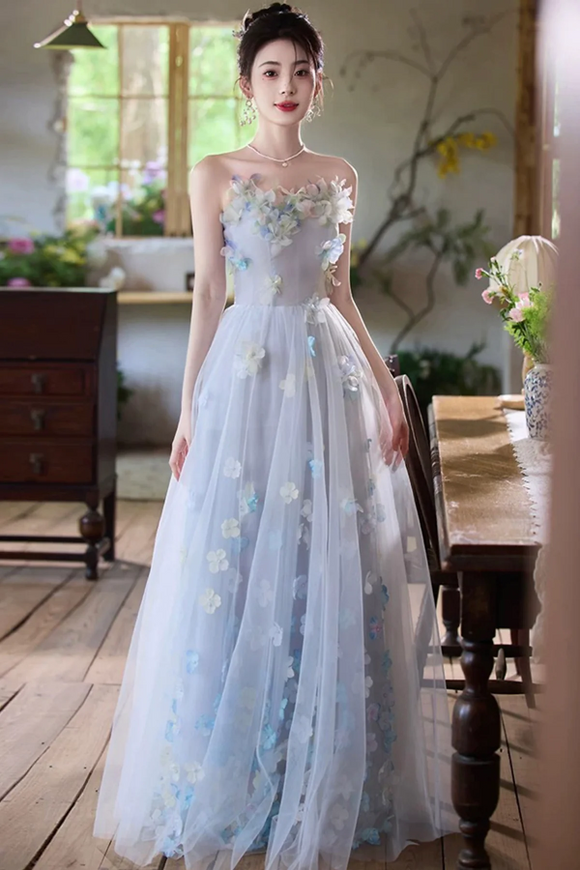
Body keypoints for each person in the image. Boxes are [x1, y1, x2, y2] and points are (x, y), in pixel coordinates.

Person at [93, 5, 456, 869]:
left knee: (326, 559)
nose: (287, 87)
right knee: (235, 554)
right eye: (271, 72)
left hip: (324, 377)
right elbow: (209, 293)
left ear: (318, 82)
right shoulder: (214, 171)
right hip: (246, 378)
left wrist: (383, 385)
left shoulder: (341, 173)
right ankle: (231, 773)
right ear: (246, 84)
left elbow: (340, 289)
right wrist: (188, 409)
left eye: (301, 71)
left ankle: (326, 769)